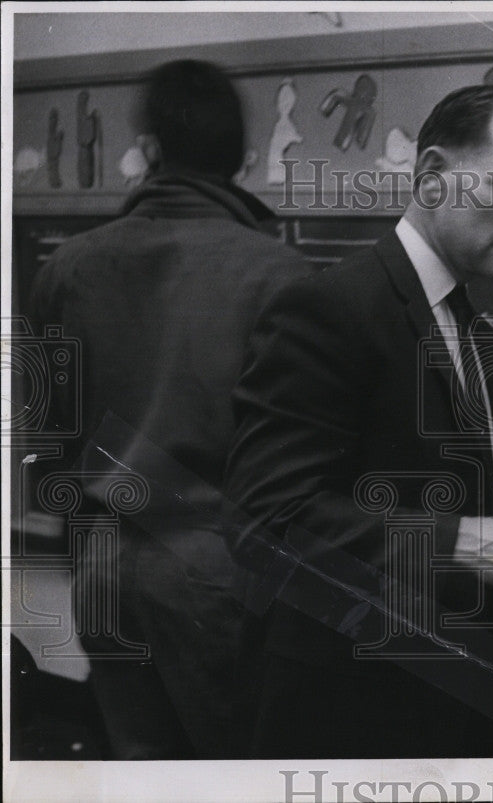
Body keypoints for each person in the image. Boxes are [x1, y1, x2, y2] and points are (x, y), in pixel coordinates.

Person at [224, 85, 493, 758]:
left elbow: (438, 479)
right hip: (352, 709)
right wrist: (461, 541)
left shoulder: (475, 330)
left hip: (453, 700)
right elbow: (266, 520)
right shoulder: (330, 308)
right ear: (433, 176)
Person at [28, 59, 311, 758]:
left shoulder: (66, 266)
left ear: (150, 148)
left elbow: (48, 439)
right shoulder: (281, 275)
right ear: (244, 158)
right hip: (216, 568)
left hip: (102, 558)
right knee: (236, 770)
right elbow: (299, 464)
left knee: (139, 765)